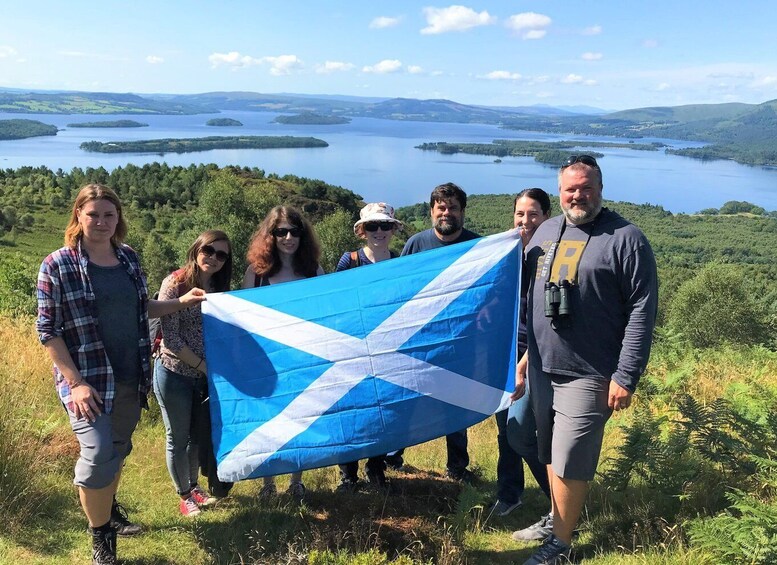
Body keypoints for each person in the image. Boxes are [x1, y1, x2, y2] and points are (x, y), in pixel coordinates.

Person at [36, 184, 206, 565]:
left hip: (131, 376)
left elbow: (139, 308)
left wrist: (180, 301)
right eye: (92, 214)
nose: (100, 222)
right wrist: (76, 383)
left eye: (108, 215)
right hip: (87, 382)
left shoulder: (127, 258)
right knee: (97, 456)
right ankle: (102, 541)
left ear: (118, 219)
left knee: (116, 452)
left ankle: (108, 511)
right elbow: (48, 330)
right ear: (78, 215)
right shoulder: (57, 264)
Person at [511, 156, 658, 564]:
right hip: (542, 364)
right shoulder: (544, 230)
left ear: (600, 188)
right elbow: (529, 302)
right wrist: (522, 357)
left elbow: (642, 310)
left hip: (591, 371)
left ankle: (560, 545)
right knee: (533, 441)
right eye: (570, 189)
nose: (578, 195)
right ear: (559, 192)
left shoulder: (626, 238)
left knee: (570, 453)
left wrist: (626, 375)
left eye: (586, 187)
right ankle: (558, 517)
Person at [242, 205, 324, 501]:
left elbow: (322, 312)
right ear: (270, 235)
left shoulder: (314, 271)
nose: (288, 237)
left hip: (302, 358)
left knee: (299, 420)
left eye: (294, 231)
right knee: (268, 422)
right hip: (268, 360)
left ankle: (296, 480)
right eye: (281, 232)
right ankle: (267, 483)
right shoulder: (257, 273)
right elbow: (243, 317)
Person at [399, 182, 479, 483]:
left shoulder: (479, 247)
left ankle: (457, 467)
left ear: (462, 212)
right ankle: (394, 457)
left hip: (460, 342)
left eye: (453, 208)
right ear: (432, 211)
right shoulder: (416, 244)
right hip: (419, 341)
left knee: (456, 405)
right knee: (406, 400)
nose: (447, 213)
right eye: (441, 208)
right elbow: (401, 289)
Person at [154, 230, 233, 517]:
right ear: (196, 250)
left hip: (203, 377)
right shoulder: (174, 283)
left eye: (221, 254)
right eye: (208, 250)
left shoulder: (221, 289)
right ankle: (184, 495)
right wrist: (204, 367)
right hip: (173, 373)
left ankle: (194, 486)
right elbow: (171, 339)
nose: (213, 258)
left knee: (197, 437)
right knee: (177, 436)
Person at [491, 189, 553, 518]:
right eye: (520, 214)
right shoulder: (510, 255)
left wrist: (522, 368)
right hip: (505, 356)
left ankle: (563, 508)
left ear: (547, 216)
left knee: (520, 434)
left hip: (534, 361)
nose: (525, 221)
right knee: (508, 433)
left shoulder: (549, 259)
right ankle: (510, 494)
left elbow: (546, 326)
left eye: (533, 214)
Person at [334, 202, 403, 492]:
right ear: (362, 231)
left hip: (387, 349)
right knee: (352, 410)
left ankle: (376, 468)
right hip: (353, 348)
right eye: (372, 226)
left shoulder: (401, 261)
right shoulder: (349, 260)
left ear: (393, 230)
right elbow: (337, 302)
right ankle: (347, 474)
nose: (379, 232)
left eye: (385, 226)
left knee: (381, 411)